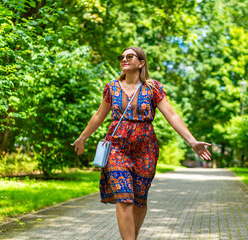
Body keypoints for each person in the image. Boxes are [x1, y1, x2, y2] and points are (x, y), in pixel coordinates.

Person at [71, 47, 211, 240]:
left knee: (139, 200)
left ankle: (132, 236)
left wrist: (192, 141)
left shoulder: (153, 88)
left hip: (146, 149)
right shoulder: (111, 87)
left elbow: (172, 115)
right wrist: (83, 136)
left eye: (130, 57)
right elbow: (98, 115)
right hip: (116, 147)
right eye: (122, 57)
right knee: (124, 198)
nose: (124, 60)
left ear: (141, 62)